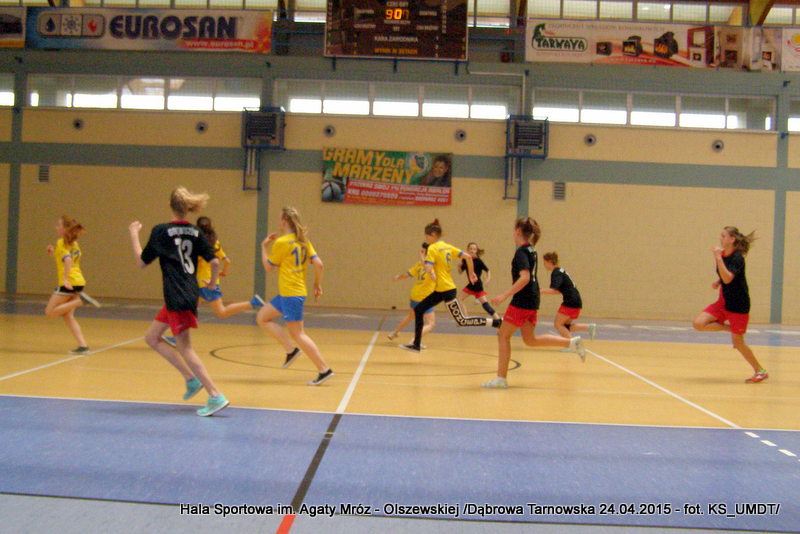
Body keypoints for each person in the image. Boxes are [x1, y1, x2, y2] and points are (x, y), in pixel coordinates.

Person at [128, 187, 230, 417]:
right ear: (187, 208)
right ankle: (190, 379)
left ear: (170, 206)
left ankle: (215, 394)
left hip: (177, 296)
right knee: (152, 337)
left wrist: (134, 234)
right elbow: (215, 262)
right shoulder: (195, 232)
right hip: (187, 292)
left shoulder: (161, 231)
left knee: (186, 348)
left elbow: (142, 262)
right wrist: (212, 283)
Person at [483, 218, 585, 389]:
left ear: (517, 231)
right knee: (530, 339)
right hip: (532, 299)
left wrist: (504, 295)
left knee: (503, 335)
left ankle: (501, 378)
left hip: (522, 300)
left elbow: (524, 278)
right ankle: (571, 342)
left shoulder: (521, 252)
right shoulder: (532, 250)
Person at [257, 207, 334, 386]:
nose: (279, 221)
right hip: (288, 293)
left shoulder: (282, 242)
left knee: (298, 334)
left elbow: (268, 267)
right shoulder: (303, 240)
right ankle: (290, 350)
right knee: (262, 317)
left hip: (291, 294)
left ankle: (324, 369)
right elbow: (319, 265)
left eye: (280, 219)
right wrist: (317, 284)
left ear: (284, 221)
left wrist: (263, 247)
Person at [161, 216, 265, 347]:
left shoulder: (195, 243)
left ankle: (252, 302)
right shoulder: (215, 243)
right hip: (209, 281)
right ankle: (176, 338)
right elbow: (227, 261)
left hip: (201, 283)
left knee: (220, 311)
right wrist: (224, 272)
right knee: (187, 309)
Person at [400, 219, 500, 353]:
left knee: (462, 321)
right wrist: (471, 273)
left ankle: (496, 323)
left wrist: (423, 259)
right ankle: (416, 345)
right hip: (441, 290)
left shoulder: (433, 248)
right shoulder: (447, 246)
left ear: (433, 235)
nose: (426, 238)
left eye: (427, 236)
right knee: (419, 310)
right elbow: (468, 257)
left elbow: (428, 268)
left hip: (446, 290)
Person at [692, 227, 767, 383]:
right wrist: (718, 281)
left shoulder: (737, 258)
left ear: (732, 239)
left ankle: (760, 370)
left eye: (723, 236)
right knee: (699, 324)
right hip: (723, 301)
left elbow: (728, 278)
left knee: (738, 343)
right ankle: (729, 328)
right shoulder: (724, 255)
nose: (720, 238)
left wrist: (718, 259)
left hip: (738, 305)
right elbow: (724, 277)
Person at [44, 215, 101, 354]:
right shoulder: (74, 243)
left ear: (65, 229)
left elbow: (68, 260)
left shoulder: (61, 242)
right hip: (79, 281)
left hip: (68, 282)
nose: (56, 227)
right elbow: (65, 258)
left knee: (49, 313)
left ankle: (80, 301)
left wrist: (65, 279)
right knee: (68, 316)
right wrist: (53, 253)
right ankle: (83, 346)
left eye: (59, 225)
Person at [541, 251, 596, 341]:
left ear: (550, 262)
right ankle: (588, 327)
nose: (544, 265)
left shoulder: (556, 272)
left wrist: (538, 291)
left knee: (558, 324)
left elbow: (554, 290)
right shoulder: (561, 271)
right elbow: (558, 291)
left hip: (571, 301)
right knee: (565, 326)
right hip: (576, 300)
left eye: (544, 263)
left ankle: (572, 344)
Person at [388, 243, 436, 344]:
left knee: (411, 316)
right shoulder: (434, 265)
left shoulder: (419, 265)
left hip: (415, 295)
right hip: (425, 297)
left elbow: (407, 274)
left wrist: (398, 277)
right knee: (430, 323)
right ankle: (415, 341)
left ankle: (394, 333)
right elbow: (434, 277)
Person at [458, 242, 500, 321]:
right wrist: (459, 267)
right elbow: (460, 272)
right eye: (470, 249)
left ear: (476, 251)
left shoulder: (478, 261)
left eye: (474, 249)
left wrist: (488, 279)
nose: (472, 250)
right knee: (485, 304)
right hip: (472, 284)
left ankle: (466, 318)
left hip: (477, 284)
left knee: (459, 299)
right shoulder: (465, 260)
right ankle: (497, 319)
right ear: (467, 250)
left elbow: (487, 270)